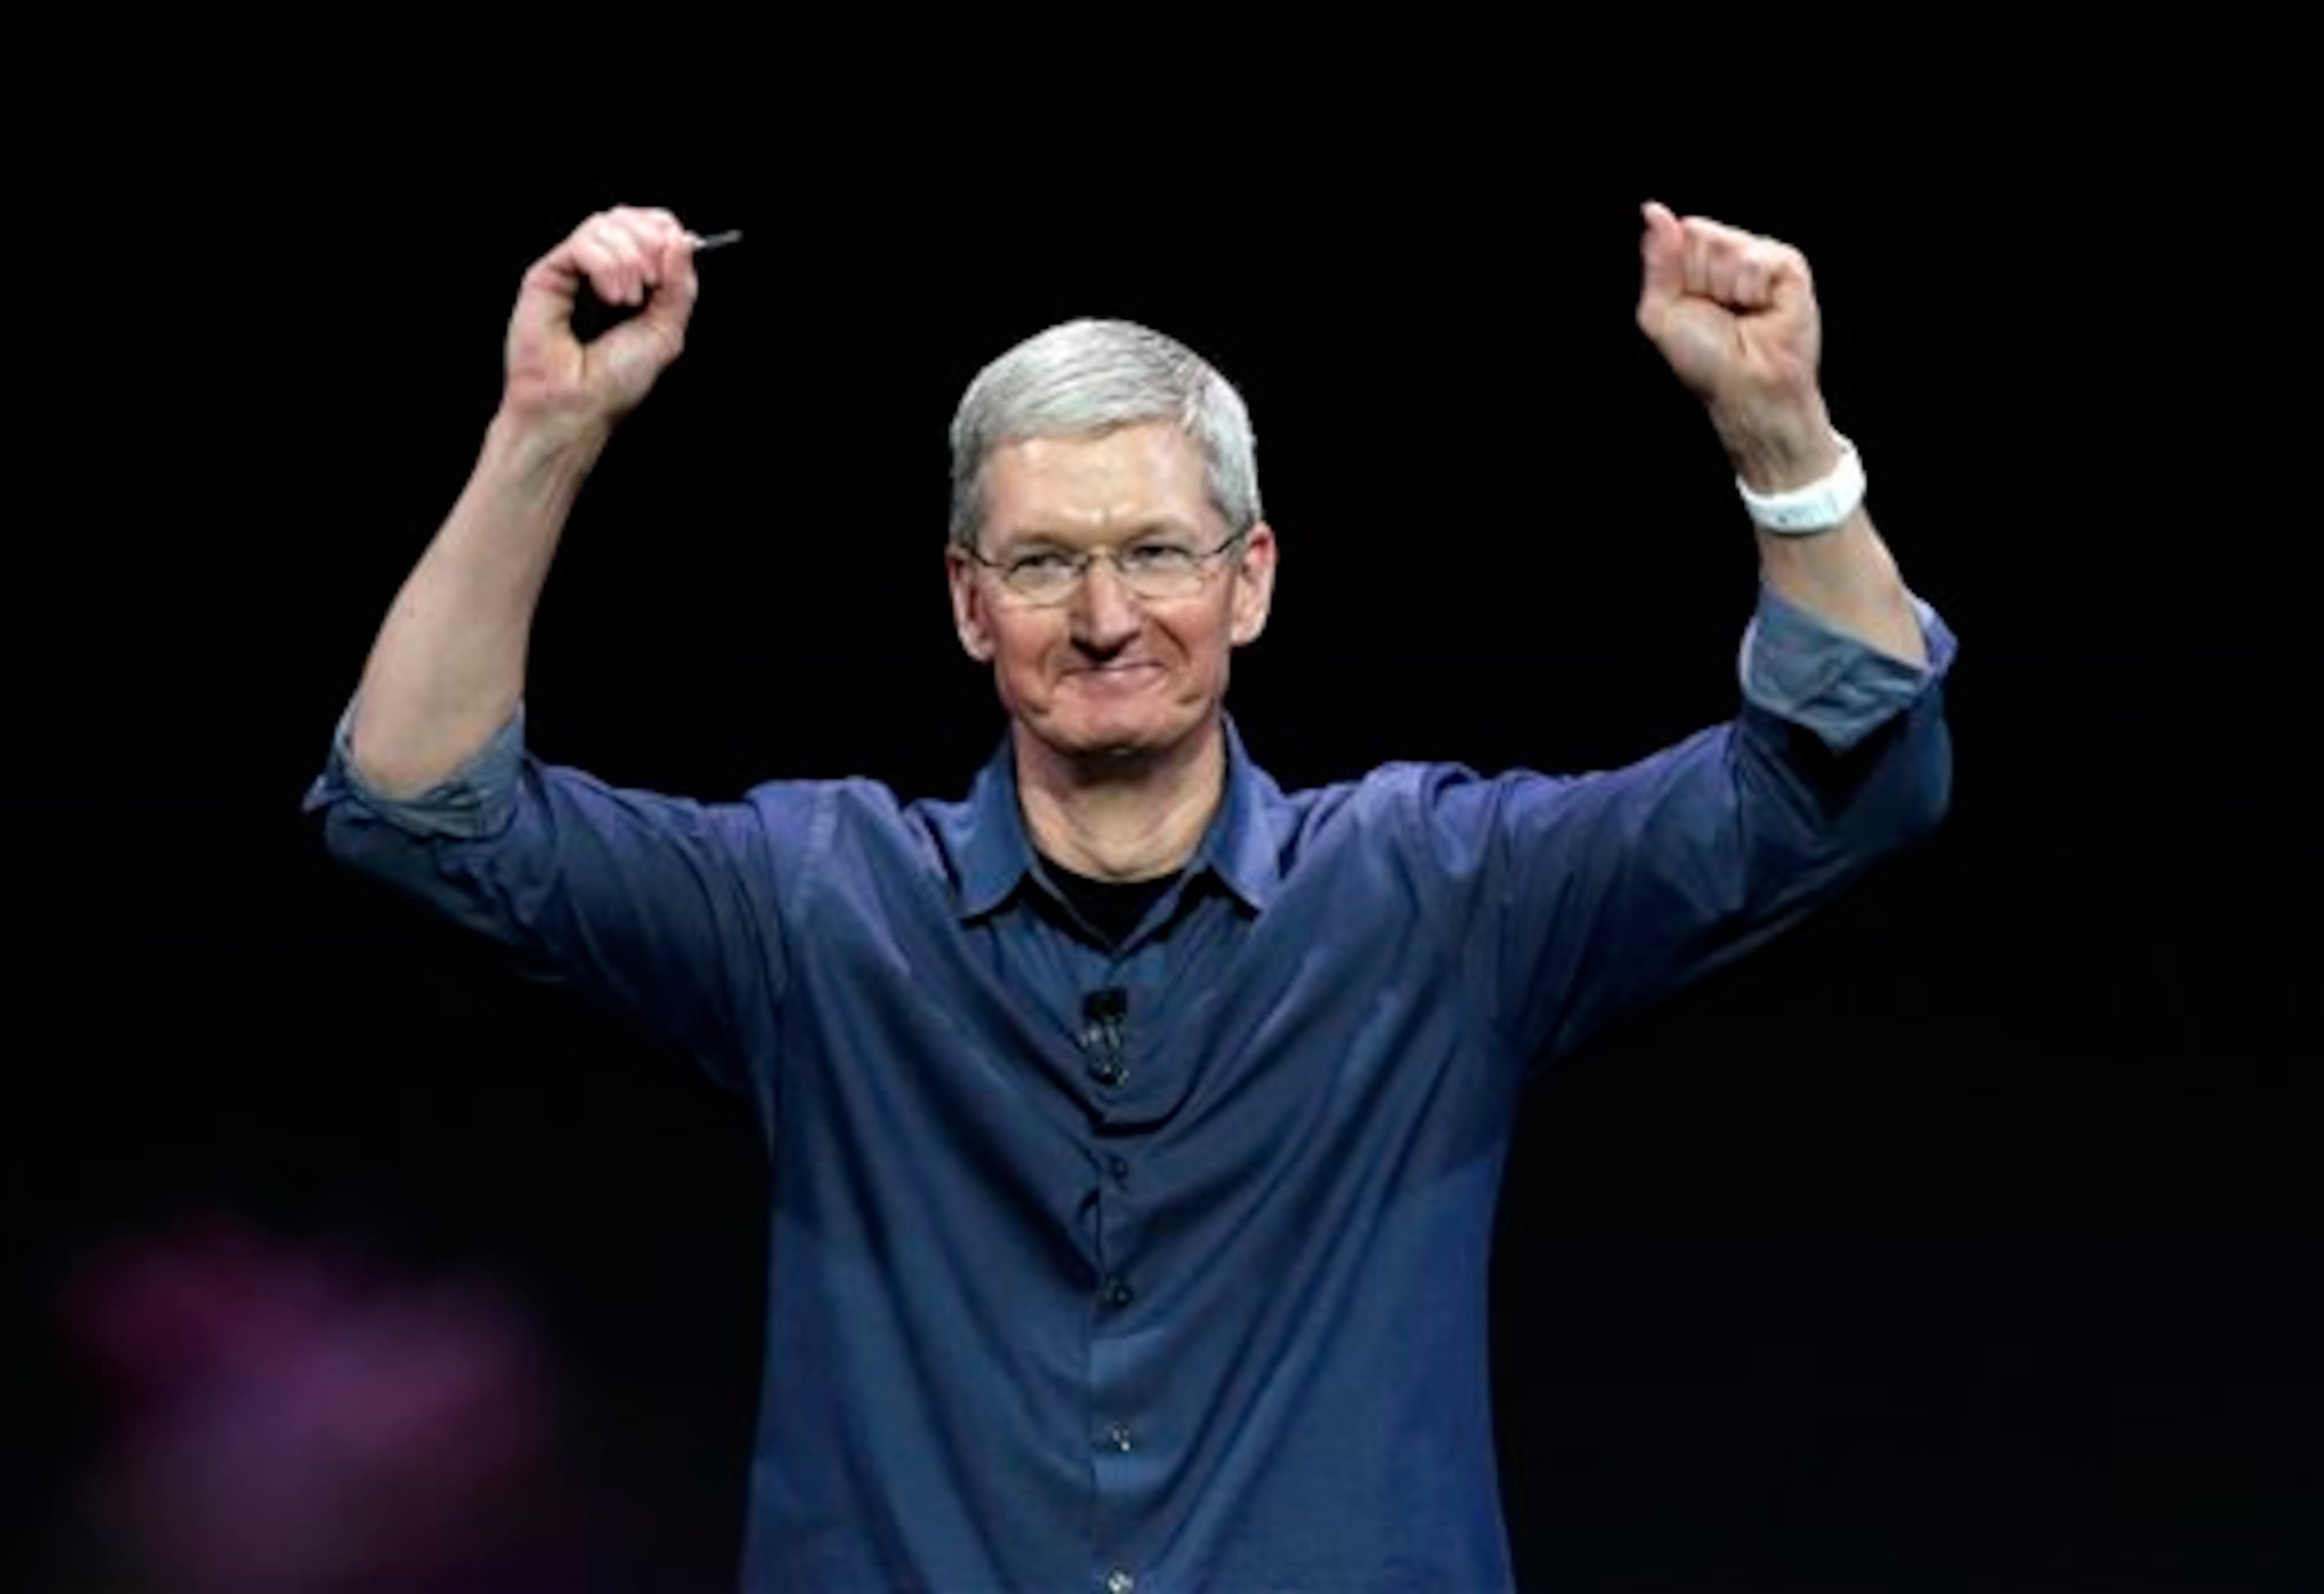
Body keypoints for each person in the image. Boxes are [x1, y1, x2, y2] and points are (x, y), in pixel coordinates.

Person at [307, 202, 1954, 1592]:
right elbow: (420, 807)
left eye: (1158, 553)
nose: (1105, 616)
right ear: (969, 602)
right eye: (1042, 563)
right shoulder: (817, 911)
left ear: (1251, 580)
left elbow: (1841, 781)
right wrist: (547, 433)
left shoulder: (1440, 900)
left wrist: (1780, 443)